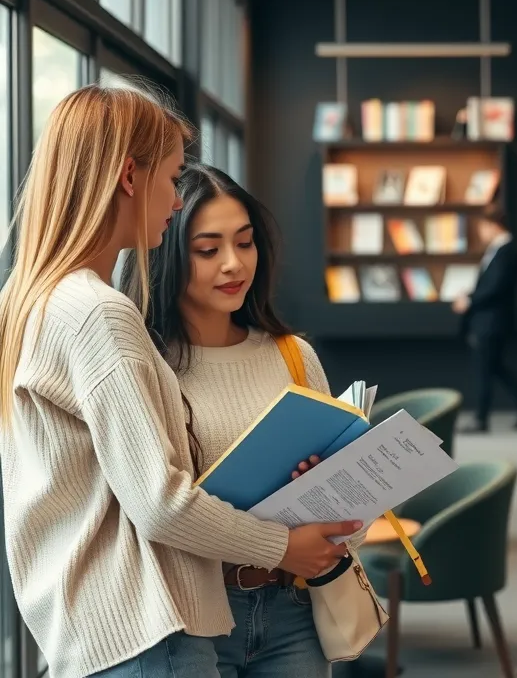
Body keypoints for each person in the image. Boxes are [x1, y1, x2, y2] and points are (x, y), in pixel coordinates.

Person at [0, 85, 360, 678]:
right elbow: (161, 505)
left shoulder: (31, 299)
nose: (174, 198)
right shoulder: (97, 313)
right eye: (170, 178)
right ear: (128, 178)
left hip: (94, 622)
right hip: (147, 625)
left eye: (244, 243)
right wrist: (282, 547)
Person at [120, 163, 369, 677]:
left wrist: (333, 507)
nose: (234, 265)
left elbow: (350, 513)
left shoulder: (294, 355)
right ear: (167, 251)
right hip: (192, 613)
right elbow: (151, 506)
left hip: (293, 607)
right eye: (208, 250)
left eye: (246, 243)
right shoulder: (143, 363)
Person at [452, 203, 517, 432]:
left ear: (492, 226)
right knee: (493, 366)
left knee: (484, 369)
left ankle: (481, 419)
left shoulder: (506, 250)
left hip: (493, 322)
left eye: (482, 227)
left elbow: (496, 287)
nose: (480, 233)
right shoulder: (497, 250)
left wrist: (470, 301)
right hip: (488, 320)